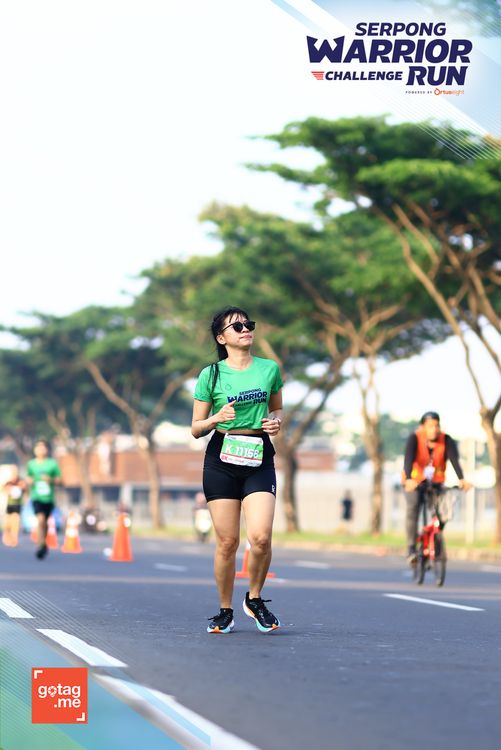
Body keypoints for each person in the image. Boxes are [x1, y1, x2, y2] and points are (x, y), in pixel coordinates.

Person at [191, 307, 283, 634]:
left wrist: (276, 422)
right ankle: (225, 610)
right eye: (237, 326)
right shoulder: (211, 375)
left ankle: (254, 599)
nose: (245, 330)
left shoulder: (269, 369)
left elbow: (277, 408)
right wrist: (216, 418)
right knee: (228, 542)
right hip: (222, 456)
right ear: (221, 338)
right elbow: (196, 428)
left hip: (258, 454)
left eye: (248, 324)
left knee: (261, 537)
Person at [402, 412, 471, 564]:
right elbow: (408, 459)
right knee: (413, 508)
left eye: (436, 426)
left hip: (436, 482)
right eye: (430, 426)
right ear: (423, 427)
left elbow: (454, 460)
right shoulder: (415, 438)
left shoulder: (446, 440)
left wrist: (462, 479)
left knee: (442, 512)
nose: (434, 429)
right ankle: (411, 548)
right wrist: (408, 479)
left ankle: (435, 539)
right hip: (415, 482)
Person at [26, 439, 63, 559]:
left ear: (47, 450)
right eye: (38, 447)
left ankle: (43, 542)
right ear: (35, 450)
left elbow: (60, 480)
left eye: (43, 448)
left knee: (45, 522)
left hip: (48, 498)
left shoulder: (52, 464)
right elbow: (28, 478)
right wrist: (29, 481)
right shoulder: (31, 464)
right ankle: (40, 545)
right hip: (36, 497)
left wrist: (50, 480)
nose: (40, 450)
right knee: (40, 519)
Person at [2, 466, 26, 547]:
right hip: (9, 505)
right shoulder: (9, 483)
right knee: (8, 523)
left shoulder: (20, 481)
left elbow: (26, 490)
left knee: (16, 522)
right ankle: (6, 537)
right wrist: (8, 489)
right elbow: (3, 489)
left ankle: (14, 538)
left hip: (18, 505)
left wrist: (23, 487)